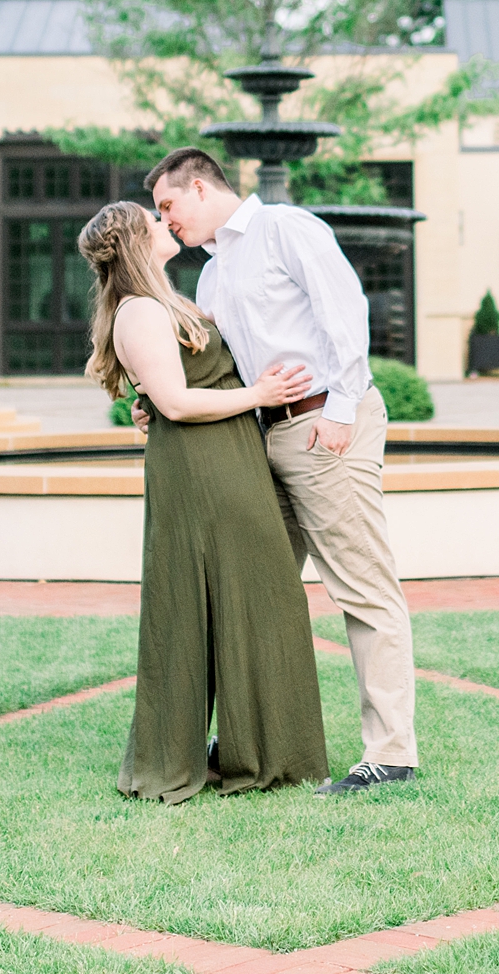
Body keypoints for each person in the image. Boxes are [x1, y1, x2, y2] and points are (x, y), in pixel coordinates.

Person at [145, 145, 420, 797]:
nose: (166, 220)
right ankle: (247, 742)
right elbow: (216, 370)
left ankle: (392, 753)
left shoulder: (286, 229)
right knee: (257, 588)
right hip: (263, 439)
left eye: (168, 205)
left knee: (361, 582)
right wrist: (149, 401)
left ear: (201, 187)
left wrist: (343, 408)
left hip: (325, 424)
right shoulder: (211, 278)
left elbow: (345, 313)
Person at [78, 200, 329, 805]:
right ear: (137, 241)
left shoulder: (168, 301)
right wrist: (260, 394)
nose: (166, 224)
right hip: (204, 467)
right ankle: (254, 756)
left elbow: (170, 392)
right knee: (252, 595)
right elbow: (178, 403)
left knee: (257, 598)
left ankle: (265, 752)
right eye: (154, 219)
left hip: (227, 457)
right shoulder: (138, 311)